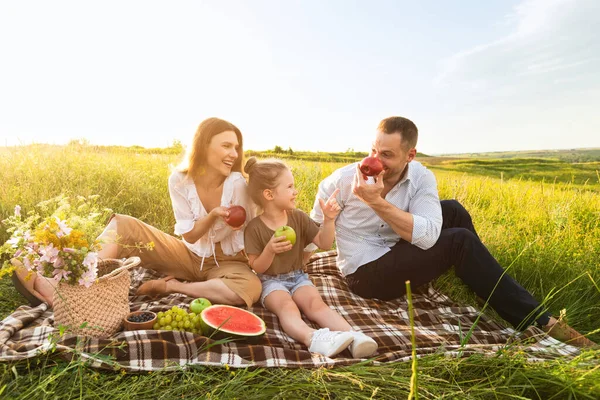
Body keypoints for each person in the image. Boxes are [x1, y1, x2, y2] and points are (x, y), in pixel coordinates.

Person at [310, 116, 595, 348]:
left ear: (410, 155)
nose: (374, 160)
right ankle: (539, 320)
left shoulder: (420, 175)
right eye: (373, 150)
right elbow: (313, 232)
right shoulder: (343, 181)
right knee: (460, 242)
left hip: (397, 247)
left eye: (386, 154)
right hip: (366, 273)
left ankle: (485, 282)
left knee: (453, 210)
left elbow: (428, 234)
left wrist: (377, 203)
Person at [13, 117, 262, 308]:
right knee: (123, 224)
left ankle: (174, 287)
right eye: (226, 146)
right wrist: (213, 216)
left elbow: (258, 227)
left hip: (229, 263)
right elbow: (190, 237)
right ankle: (71, 287)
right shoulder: (179, 180)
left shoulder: (239, 184)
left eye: (236, 148)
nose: (234, 154)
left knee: (250, 287)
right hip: (189, 255)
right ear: (204, 145)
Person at [243, 157, 378, 358]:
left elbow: (324, 243)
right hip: (270, 281)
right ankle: (313, 338)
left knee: (316, 304)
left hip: (298, 276)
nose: (295, 191)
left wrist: (329, 220)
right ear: (269, 194)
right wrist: (270, 250)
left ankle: (354, 337)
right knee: (286, 307)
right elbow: (257, 268)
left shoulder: (298, 217)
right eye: (289, 186)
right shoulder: (254, 228)